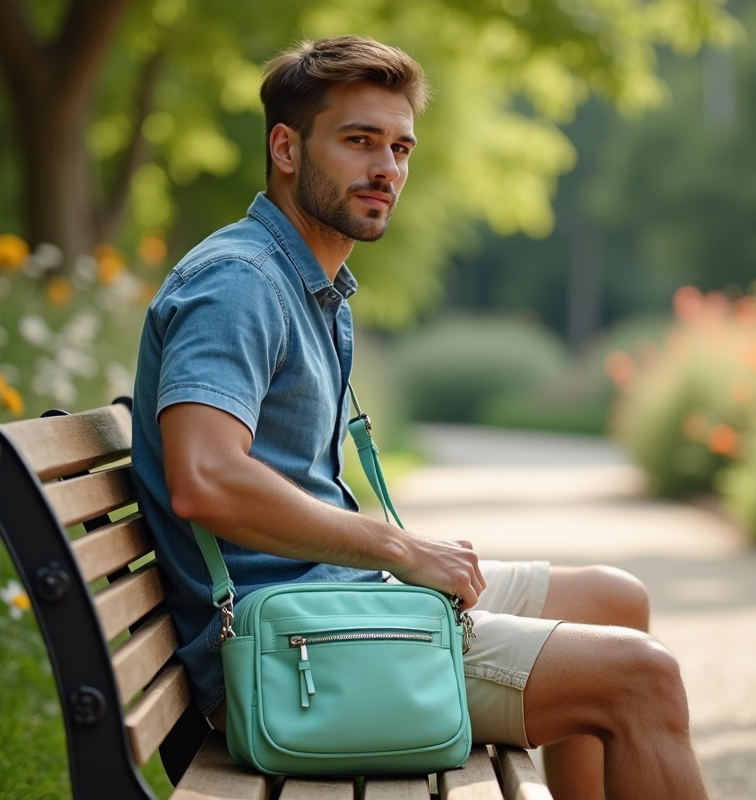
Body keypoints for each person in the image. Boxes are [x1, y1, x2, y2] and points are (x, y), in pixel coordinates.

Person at [131, 35, 707, 800]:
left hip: (329, 602)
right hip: (282, 656)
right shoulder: (239, 284)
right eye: (359, 141)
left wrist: (393, 557)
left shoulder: (308, 286)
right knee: (643, 678)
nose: (387, 170)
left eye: (401, 147)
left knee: (615, 598)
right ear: (286, 147)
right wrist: (400, 548)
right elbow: (205, 481)